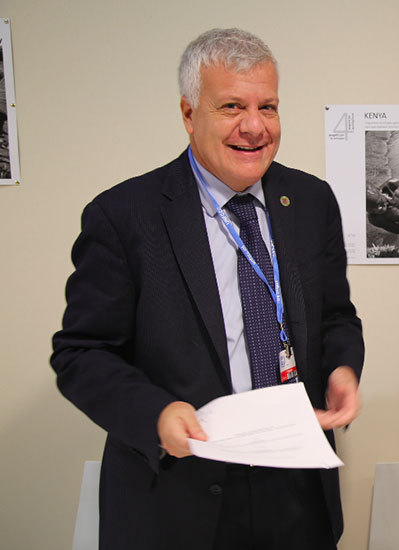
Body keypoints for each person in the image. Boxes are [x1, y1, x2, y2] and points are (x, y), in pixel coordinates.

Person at [51, 28, 364, 550]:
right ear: (189, 114)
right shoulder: (125, 215)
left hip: (296, 493)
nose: (254, 126)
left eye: (268, 106)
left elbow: (336, 315)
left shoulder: (311, 201)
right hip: (178, 499)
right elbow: (81, 354)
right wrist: (154, 412)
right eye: (232, 106)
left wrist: (341, 367)